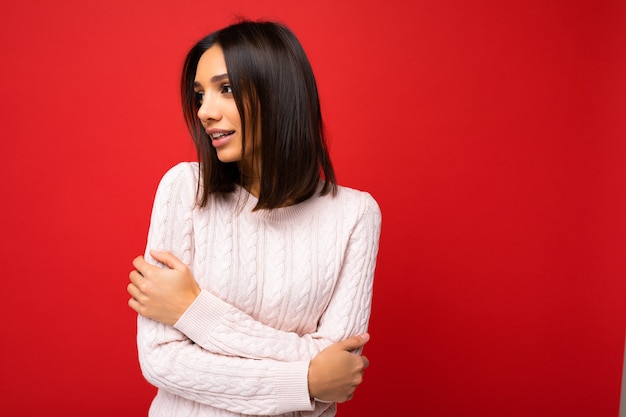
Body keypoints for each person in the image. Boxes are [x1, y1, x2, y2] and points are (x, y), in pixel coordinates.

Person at [127, 19, 382, 417]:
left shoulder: (354, 215)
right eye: (199, 95)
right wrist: (305, 380)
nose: (205, 112)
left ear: (279, 93)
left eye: (225, 89)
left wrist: (194, 311)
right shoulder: (184, 189)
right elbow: (162, 361)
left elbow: (339, 369)